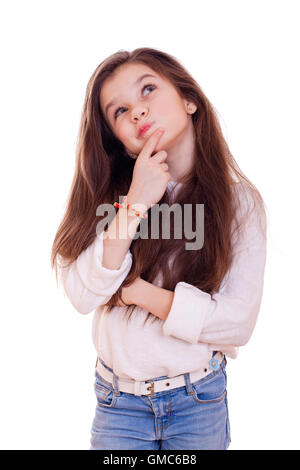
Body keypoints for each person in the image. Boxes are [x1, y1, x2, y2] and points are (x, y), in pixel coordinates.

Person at [51, 47, 267, 450]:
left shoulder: (240, 205)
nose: (137, 112)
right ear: (118, 139)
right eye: (120, 111)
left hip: (198, 401)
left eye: (148, 90)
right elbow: (82, 295)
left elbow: (237, 323)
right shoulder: (111, 199)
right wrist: (134, 203)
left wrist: (138, 293)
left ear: (189, 100)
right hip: (119, 406)